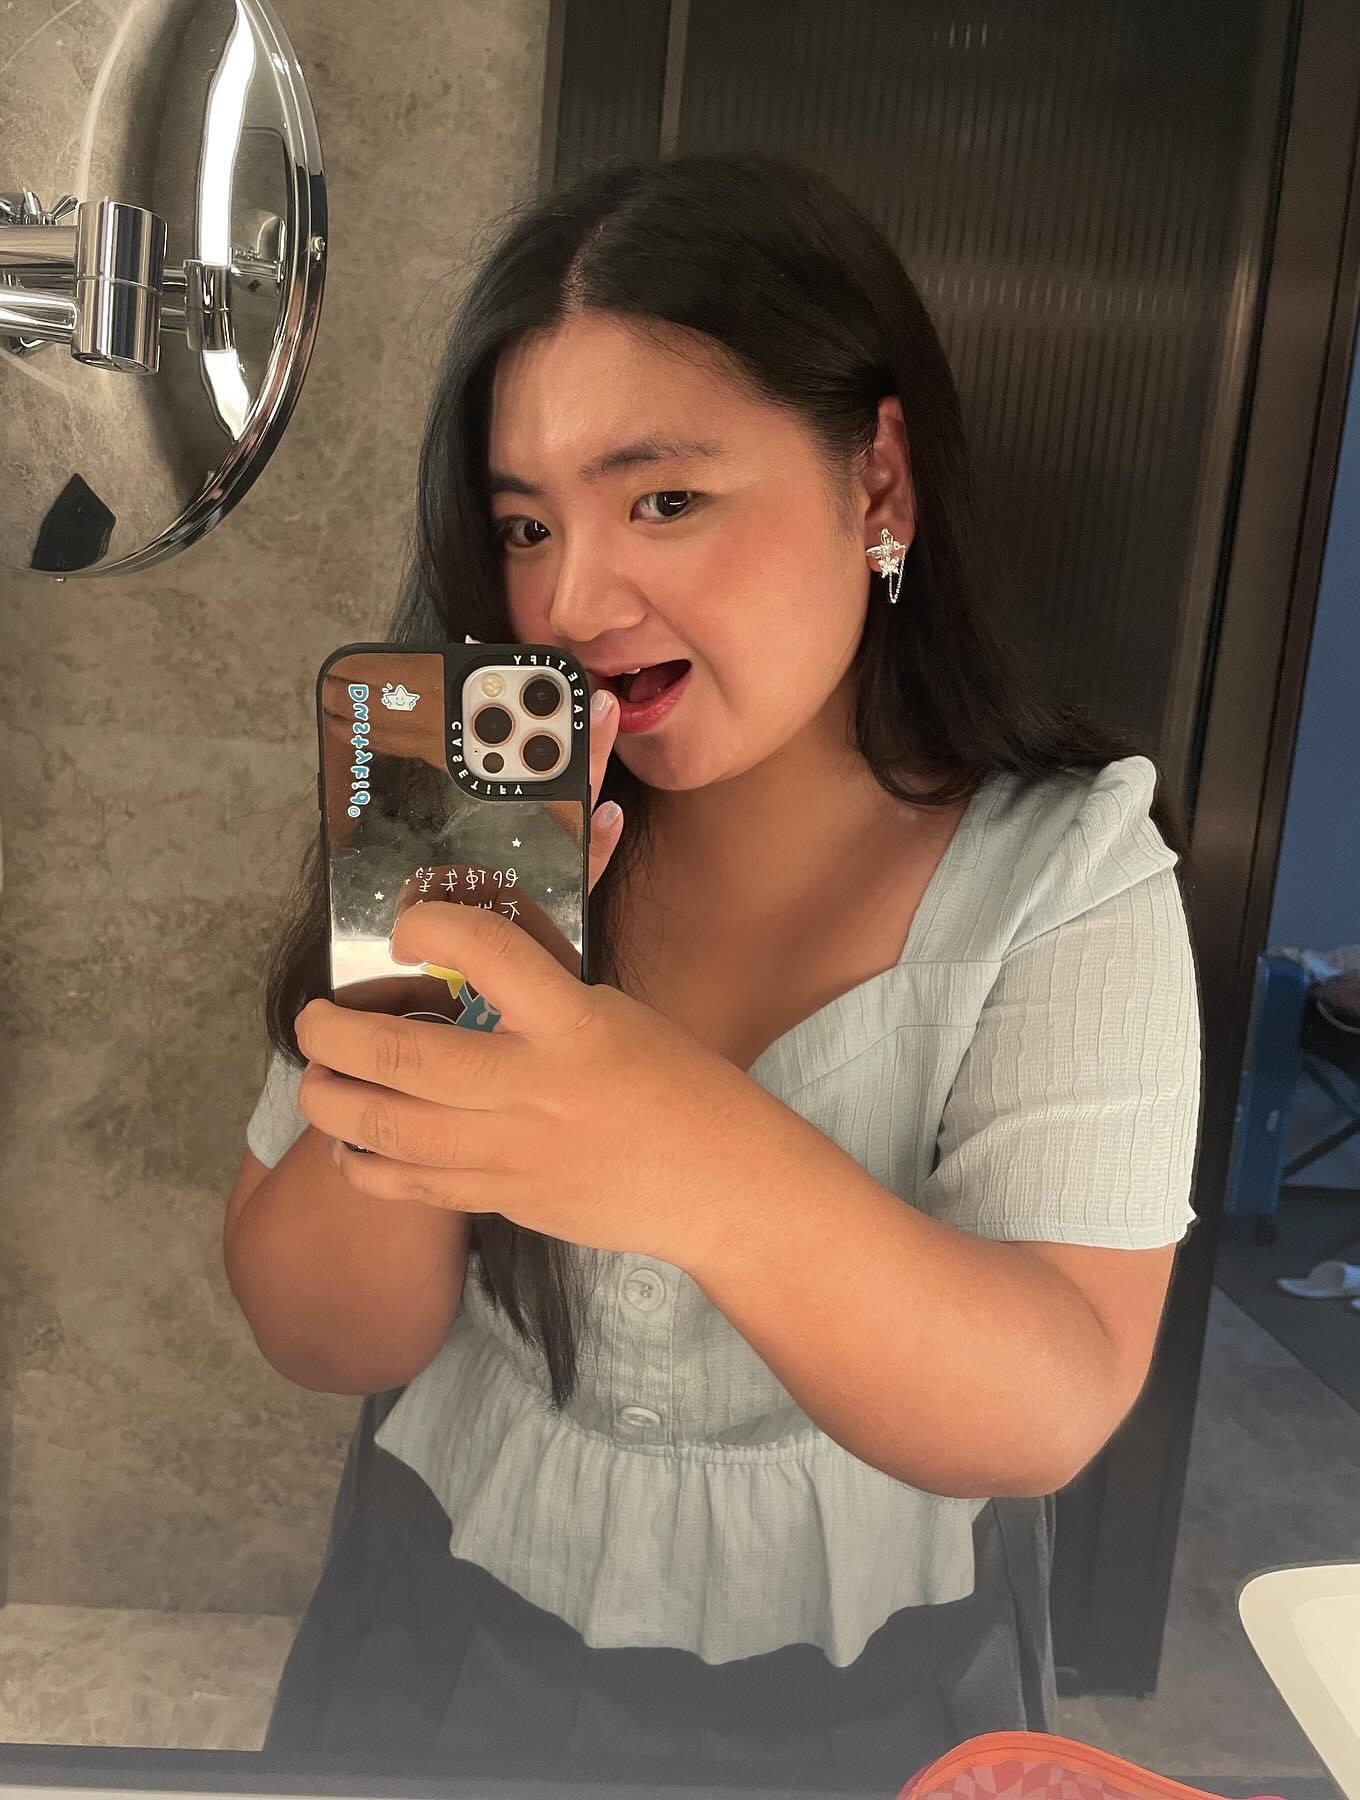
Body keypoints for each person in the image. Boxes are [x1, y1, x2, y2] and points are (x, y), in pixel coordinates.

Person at [222, 152, 1203, 1790]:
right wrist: (420, 1039)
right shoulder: (466, 806)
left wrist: (684, 1154)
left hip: (872, 1678)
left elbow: (1048, 1403)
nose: (572, 600)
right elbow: (323, 1335)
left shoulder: (1067, 879)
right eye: (525, 524)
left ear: (877, 481)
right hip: (440, 1615)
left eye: (664, 500)